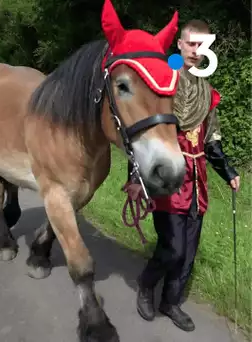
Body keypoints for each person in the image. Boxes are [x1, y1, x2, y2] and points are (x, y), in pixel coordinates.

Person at [127, 19, 241, 332]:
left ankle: (171, 301)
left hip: (198, 179)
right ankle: (147, 284)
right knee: (173, 246)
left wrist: (228, 171)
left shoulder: (205, 90)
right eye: (191, 43)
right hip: (168, 177)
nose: (196, 50)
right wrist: (136, 180)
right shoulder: (163, 81)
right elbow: (143, 133)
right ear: (179, 44)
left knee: (189, 250)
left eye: (202, 45)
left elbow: (211, 140)